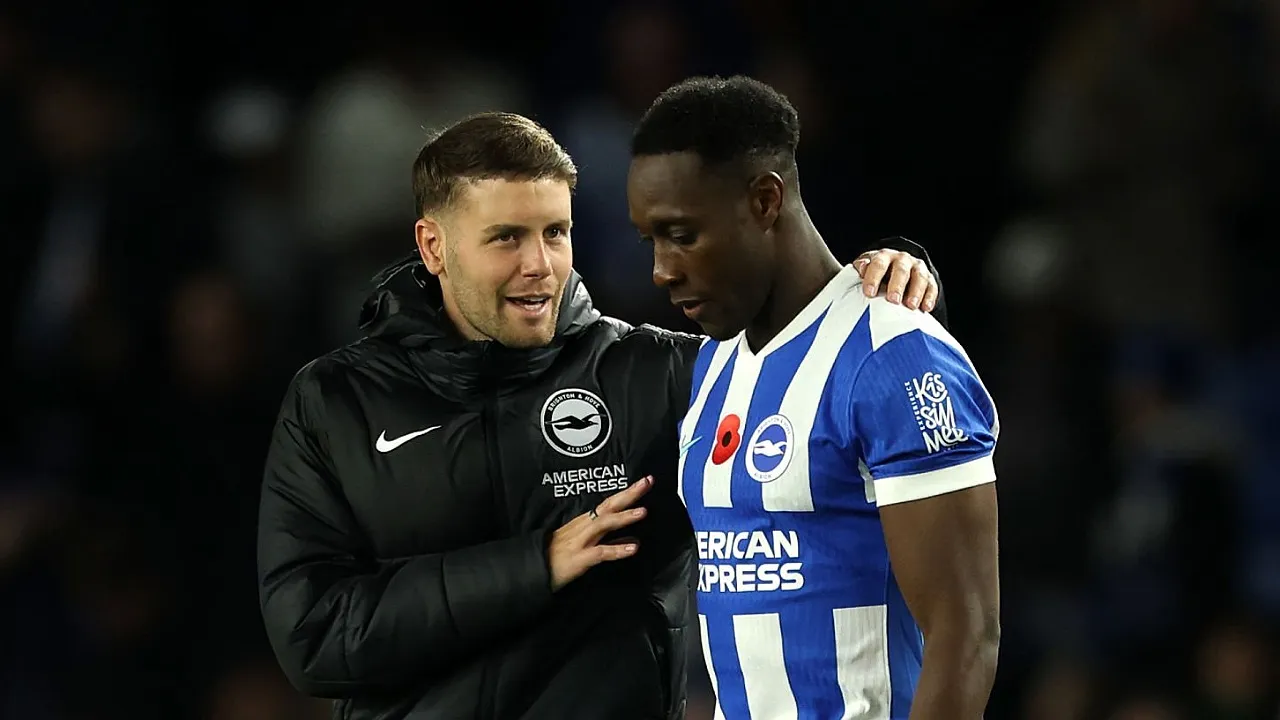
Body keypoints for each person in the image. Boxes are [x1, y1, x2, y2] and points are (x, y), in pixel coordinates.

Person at [257, 112, 942, 720]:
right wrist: (537, 565)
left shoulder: (661, 376)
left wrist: (885, 284)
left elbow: (830, 376)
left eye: (555, 233)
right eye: (506, 238)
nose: (540, 265)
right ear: (433, 246)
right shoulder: (335, 402)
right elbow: (313, 638)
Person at [627, 76, 1000, 719]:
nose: (662, 269)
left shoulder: (895, 356)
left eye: (682, 234)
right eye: (651, 241)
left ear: (765, 200)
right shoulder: (712, 362)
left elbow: (966, 636)